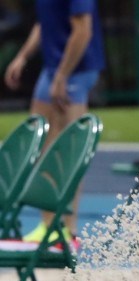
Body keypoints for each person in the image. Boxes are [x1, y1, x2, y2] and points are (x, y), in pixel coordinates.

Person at [3, 0, 104, 248]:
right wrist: (23, 56)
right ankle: (48, 225)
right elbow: (45, 22)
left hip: (76, 69)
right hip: (52, 67)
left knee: (68, 149)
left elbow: (83, 30)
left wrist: (62, 75)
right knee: (41, 140)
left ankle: (67, 230)